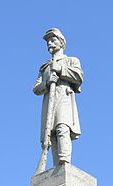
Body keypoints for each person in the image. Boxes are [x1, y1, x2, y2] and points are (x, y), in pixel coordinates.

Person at [33, 28, 83, 166]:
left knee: (62, 127)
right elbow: (36, 88)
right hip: (49, 101)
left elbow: (79, 76)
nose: (49, 43)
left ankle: (64, 160)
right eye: (48, 41)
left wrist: (61, 69)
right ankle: (56, 165)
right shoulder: (45, 67)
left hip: (64, 96)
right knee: (51, 134)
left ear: (61, 43)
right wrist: (46, 83)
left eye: (53, 40)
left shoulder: (71, 60)